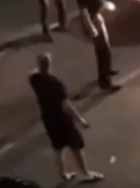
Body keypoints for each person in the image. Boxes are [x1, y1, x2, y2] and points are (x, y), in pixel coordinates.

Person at [29, 53, 104, 183]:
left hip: (48, 118)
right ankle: (86, 173)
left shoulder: (35, 80)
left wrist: (39, 68)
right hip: (61, 118)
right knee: (76, 145)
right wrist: (81, 120)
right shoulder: (56, 83)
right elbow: (66, 105)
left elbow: (32, 72)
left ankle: (63, 175)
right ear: (50, 64)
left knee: (58, 147)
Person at [76, 0, 121, 92]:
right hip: (94, 20)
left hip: (98, 18)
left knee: (105, 48)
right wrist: (91, 28)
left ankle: (106, 70)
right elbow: (83, 11)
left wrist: (105, 4)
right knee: (103, 50)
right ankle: (105, 82)